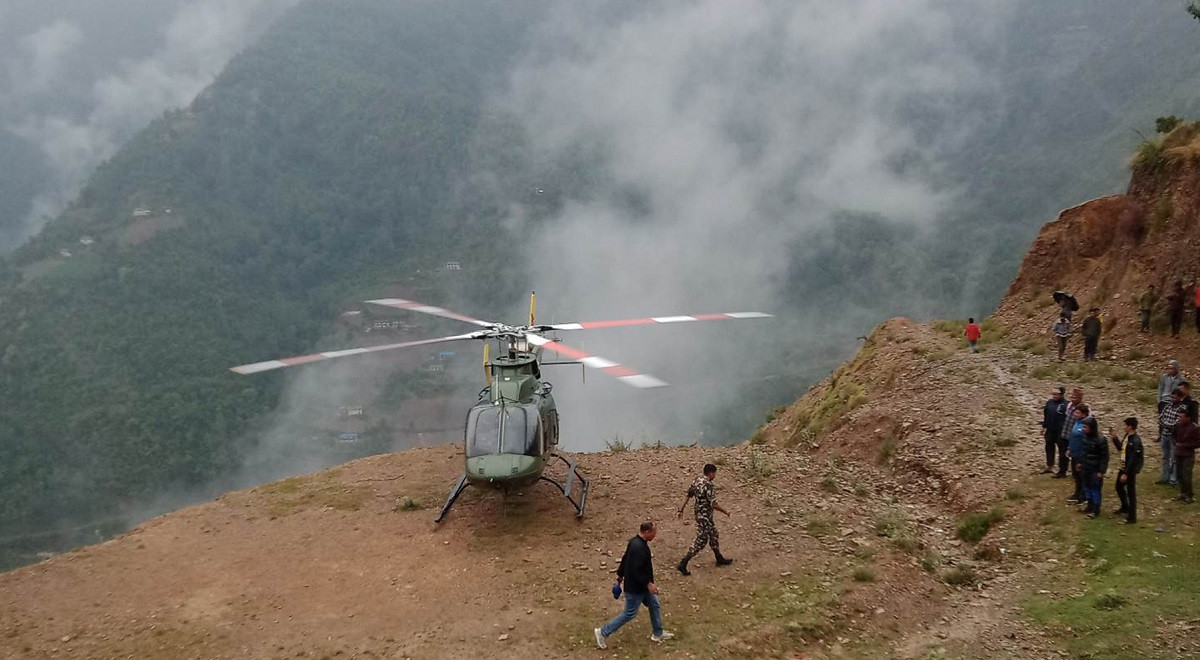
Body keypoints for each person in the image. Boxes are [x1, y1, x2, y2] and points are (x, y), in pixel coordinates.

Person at [595, 521, 674, 648]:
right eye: (654, 533)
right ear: (647, 532)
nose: (655, 535)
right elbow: (636, 570)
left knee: (654, 604)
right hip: (636, 589)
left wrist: (619, 577)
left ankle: (657, 633)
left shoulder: (634, 542)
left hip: (641, 587)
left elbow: (625, 559)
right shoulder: (639, 548)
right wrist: (649, 584)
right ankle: (603, 632)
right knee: (629, 613)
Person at [676, 463, 733, 575]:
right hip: (705, 516)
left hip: (699, 514)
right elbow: (713, 504)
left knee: (714, 535)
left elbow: (688, 495)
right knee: (701, 541)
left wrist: (681, 509)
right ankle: (683, 563)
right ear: (711, 473)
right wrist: (726, 512)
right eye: (715, 473)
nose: (715, 476)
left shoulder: (697, 480)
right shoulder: (709, 485)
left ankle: (719, 558)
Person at [1111, 417, 1144, 524]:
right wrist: (1115, 438)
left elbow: (1133, 459)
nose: (1124, 427)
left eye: (1125, 425)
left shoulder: (1135, 441)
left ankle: (1132, 517)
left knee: (1131, 492)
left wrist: (1126, 473)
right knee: (1118, 486)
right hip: (1124, 467)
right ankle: (1125, 506)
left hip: (1130, 470)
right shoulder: (1128, 437)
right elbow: (1121, 448)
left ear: (1130, 426)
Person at [1080, 417, 1109, 519]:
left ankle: (1095, 509)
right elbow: (1083, 452)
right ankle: (1089, 505)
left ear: (1092, 428)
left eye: (1085, 427)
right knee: (1087, 488)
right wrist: (1080, 463)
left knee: (1095, 489)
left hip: (1095, 469)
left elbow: (1104, 457)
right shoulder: (1084, 437)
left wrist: (1102, 471)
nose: (1083, 428)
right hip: (1086, 467)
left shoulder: (1101, 440)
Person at [1157, 389, 1186, 486]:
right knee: (1165, 457)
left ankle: (1173, 479)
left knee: (1174, 459)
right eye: (1171, 397)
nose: (1171, 399)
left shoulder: (1182, 409)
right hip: (1164, 435)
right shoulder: (1167, 406)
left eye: (1174, 397)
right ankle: (1165, 477)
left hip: (1174, 437)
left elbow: (1176, 424)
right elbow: (1160, 418)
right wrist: (1167, 424)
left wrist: (1166, 424)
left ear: (1180, 398)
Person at [1057, 389, 1084, 479]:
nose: (1073, 398)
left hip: (1075, 436)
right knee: (1062, 453)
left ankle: (1076, 474)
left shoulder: (1083, 408)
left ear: (1080, 398)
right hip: (1065, 433)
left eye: (1075, 397)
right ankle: (1062, 471)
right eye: (1072, 396)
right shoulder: (1069, 405)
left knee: (1075, 455)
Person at [1174, 408, 1200, 503]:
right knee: (1179, 475)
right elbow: (1174, 436)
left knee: (1186, 476)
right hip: (1178, 454)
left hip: (1188, 455)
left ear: (1188, 418)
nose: (1179, 418)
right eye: (1179, 416)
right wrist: (1176, 444)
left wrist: (1184, 445)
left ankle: (1190, 495)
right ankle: (1183, 493)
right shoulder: (1177, 426)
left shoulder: (1194, 428)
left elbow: (1198, 443)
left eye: (1181, 417)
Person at [1041, 386, 1068, 474]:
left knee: (1062, 450)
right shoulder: (1049, 402)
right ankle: (1050, 465)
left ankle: (1062, 469)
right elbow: (1046, 415)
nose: (1054, 396)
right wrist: (1044, 427)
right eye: (1053, 394)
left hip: (1061, 431)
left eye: (1056, 394)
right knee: (1049, 447)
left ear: (1062, 394)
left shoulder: (1066, 404)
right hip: (1050, 430)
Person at [1066, 403, 1090, 503]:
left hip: (1081, 455)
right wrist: (1069, 448)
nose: (1075, 414)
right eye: (1075, 412)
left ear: (1084, 414)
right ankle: (1077, 493)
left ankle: (1083, 496)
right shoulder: (1076, 422)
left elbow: (1086, 442)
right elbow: (1073, 438)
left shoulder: (1085, 426)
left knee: (1082, 476)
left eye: (1077, 412)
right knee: (1076, 476)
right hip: (1074, 454)